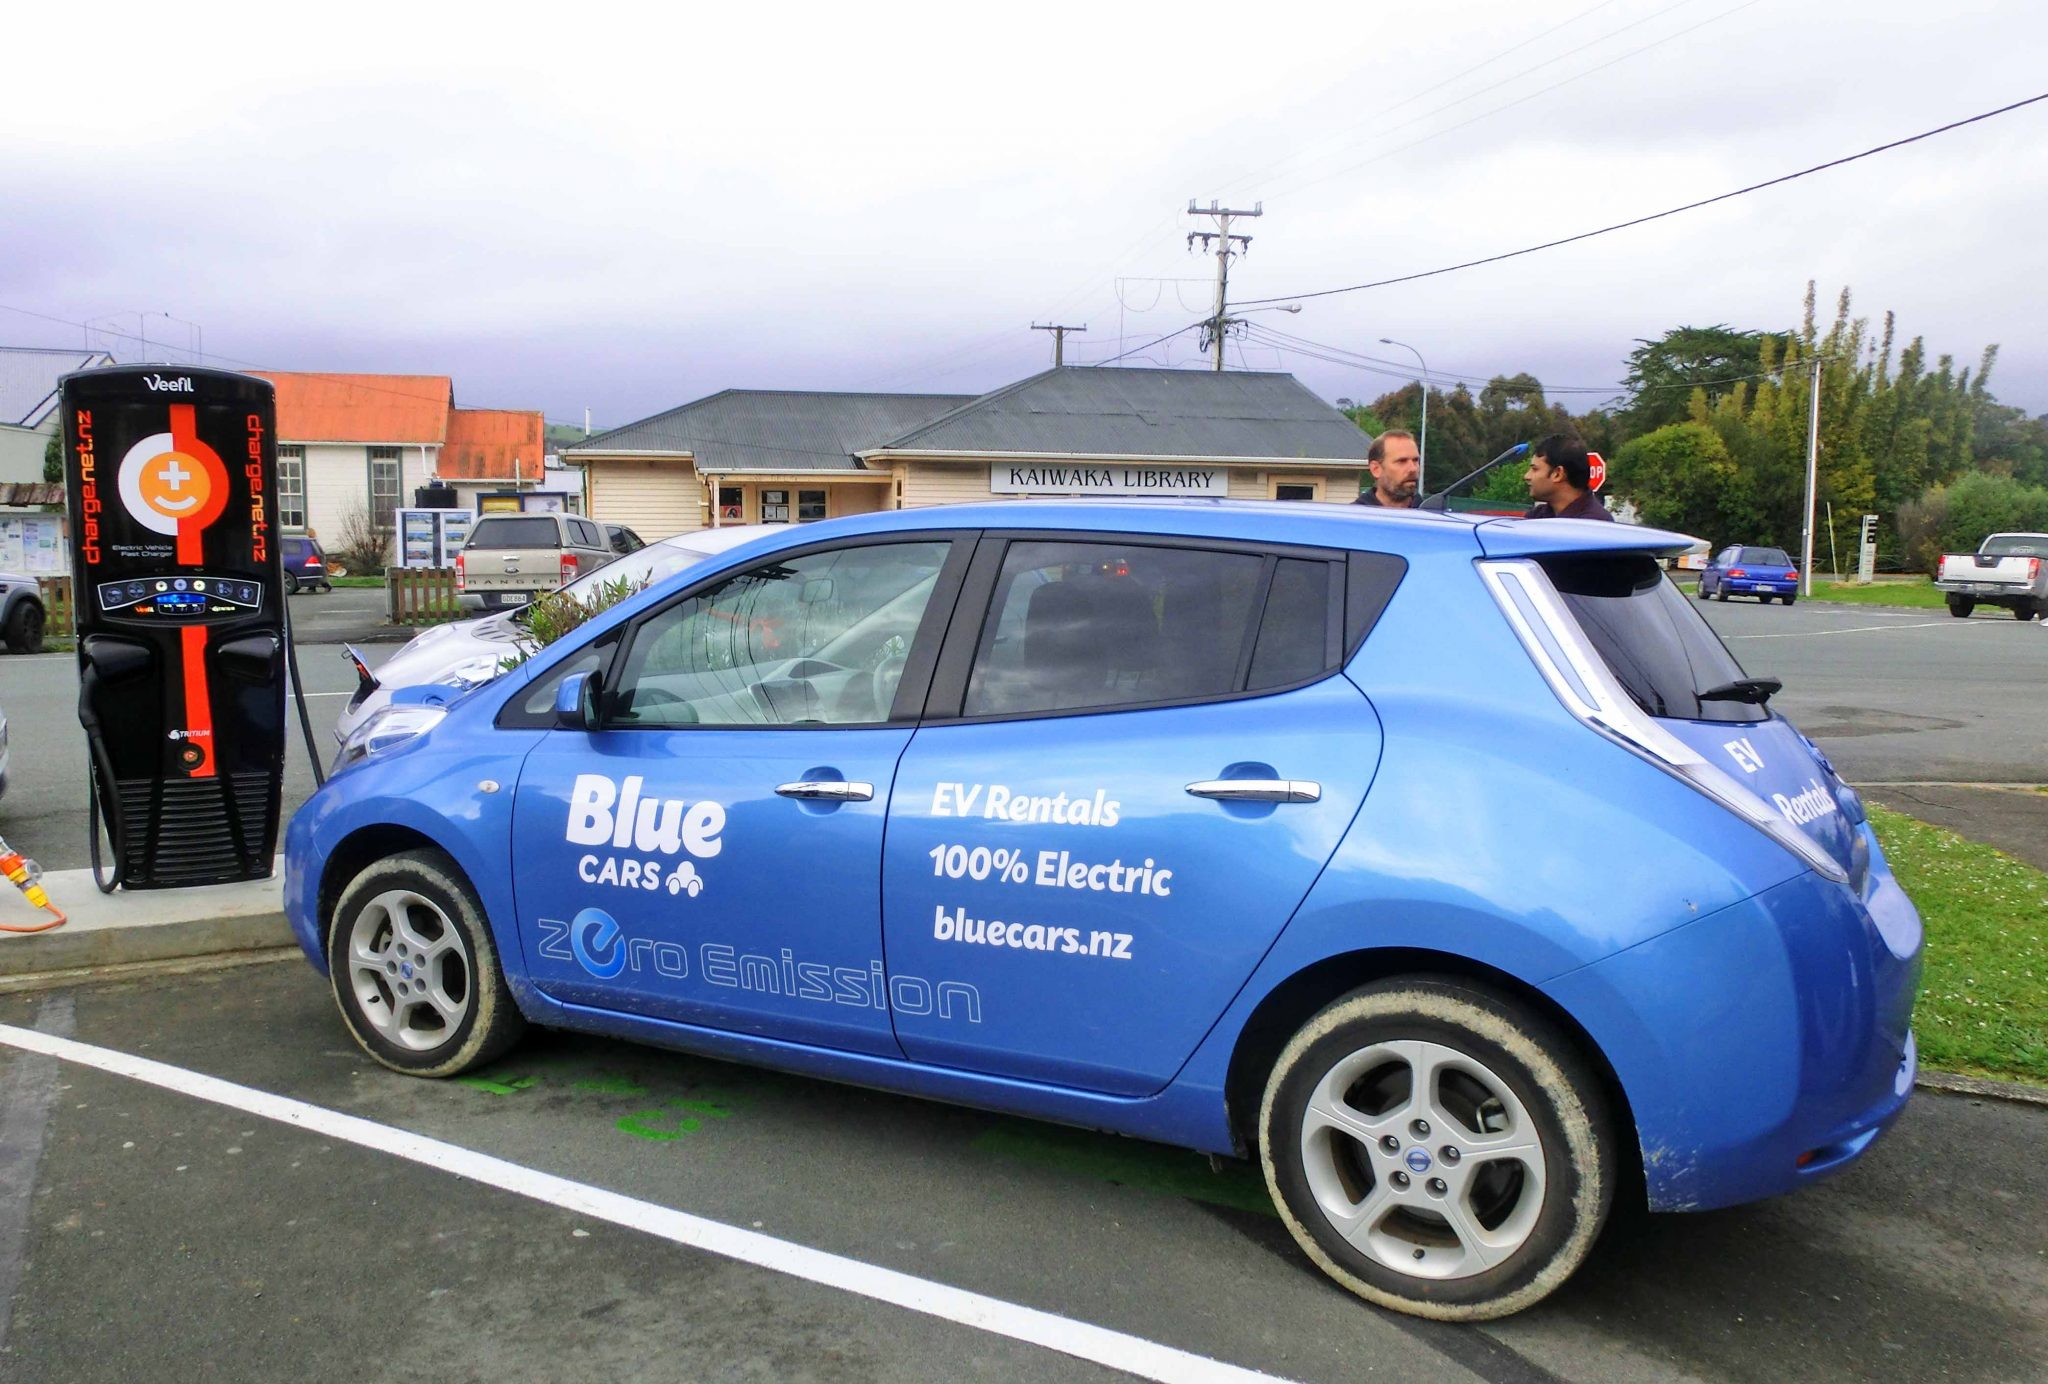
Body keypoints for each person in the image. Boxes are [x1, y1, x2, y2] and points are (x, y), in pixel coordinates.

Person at [1522, 434, 1613, 521]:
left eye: (1535, 469)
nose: (1526, 476)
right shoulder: (1538, 515)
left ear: (1558, 474)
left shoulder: (1594, 524)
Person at [1354, 430, 1421, 508]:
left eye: (1415, 460)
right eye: (1402, 461)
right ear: (1376, 469)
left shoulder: (1431, 514)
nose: (1413, 469)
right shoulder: (1355, 517)